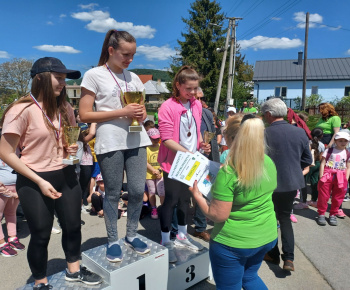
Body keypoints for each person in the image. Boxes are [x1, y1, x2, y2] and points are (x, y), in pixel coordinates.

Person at [0, 57, 102, 289]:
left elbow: (65, 141)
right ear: (40, 79)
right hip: (34, 180)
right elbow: (5, 152)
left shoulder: (64, 107)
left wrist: (71, 146)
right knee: (41, 235)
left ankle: (73, 271)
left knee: (74, 225)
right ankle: (40, 282)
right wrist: (38, 180)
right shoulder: (21, 110)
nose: (63, 83)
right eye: (58, 78)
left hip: (65, 175)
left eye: (64, 79)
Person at [79, 29, 151, 262]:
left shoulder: (135, 78)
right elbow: (84, 114)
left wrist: (140, 114)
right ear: (111, 51)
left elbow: (141, 109)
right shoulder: (93, 75)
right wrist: (123, 111)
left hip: (136, 138)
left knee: (138, 190)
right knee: (112, 193)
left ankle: (131, 235)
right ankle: (112, 240)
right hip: (110, 140)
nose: (129, 59)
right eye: (125, 54)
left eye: (133, 55)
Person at [189, 117, 278, 289]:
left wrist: (198, 196)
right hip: (266, 235)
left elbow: (218, 215)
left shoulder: (229, 172)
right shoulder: (267, 161)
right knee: (250, 277)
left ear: (230, 138)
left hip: (233, 243)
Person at [157, 66, 210, 263]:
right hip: (173, 163)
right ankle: (165, 240)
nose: (193, 93)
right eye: (189, 89)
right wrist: (188, 153)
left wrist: (200, 145)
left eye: (195, 88)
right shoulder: (167, 107)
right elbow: (166, 140)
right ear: (178, 85)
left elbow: (194, 132)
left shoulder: (196, 104)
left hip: (191, 161)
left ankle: (181, 234)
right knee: (170, 200)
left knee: (185, 201)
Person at [261, 98, 312, 272]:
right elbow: (307, 160)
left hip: (268, 184)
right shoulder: (300, 133)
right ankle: (289, 258)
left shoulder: (264, 134)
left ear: (268, 114)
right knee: (284, 219)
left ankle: (273, 254)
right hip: (291, 184)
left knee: (269, 219)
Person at [192, 88, 220, 242]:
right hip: (187, 160)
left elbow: (212, 137)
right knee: (182, 197)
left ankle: (200, 228)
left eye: (201, 98)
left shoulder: (207, 113)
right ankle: (175, 230)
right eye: (197, 98)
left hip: (207, 159)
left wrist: (213, 157)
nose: (200, 101)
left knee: (203, 191)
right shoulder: (183, 111)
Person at [317, 131, 350, 226]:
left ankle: (333, 214)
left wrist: (346, 178)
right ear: (335, 141)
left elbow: (348, 166)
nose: (343, 143)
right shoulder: (329, 151)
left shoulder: (347, 153)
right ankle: (321, 214)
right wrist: (321, 176)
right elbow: (323, 163)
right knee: (323, 196)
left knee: (338, 197)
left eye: (345, 141)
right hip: (328, 175)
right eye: (340, 140)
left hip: (341, 176)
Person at [0, 158, 25, 257]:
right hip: (2, 189)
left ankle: (12, 238)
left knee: (11, 212)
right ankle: (1, 243)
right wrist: (9, 193)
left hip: (16, 186)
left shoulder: (13, 149)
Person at [146, 128, 165, 219]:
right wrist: (153, 170)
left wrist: (159, 171)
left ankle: (164, 208)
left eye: (158, 138)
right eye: (154, 139)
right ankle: (154, 208)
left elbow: (164, 160)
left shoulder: (161, 146)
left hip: (160, 173)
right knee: (152, 191)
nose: (156, 140)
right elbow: (145, 162)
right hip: (149, 174)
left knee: (162, 191)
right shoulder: (146, 148)